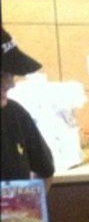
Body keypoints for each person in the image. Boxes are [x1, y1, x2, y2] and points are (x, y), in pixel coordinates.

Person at [1, 27, 55, 191]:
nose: (11, 84)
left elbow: (45, 170)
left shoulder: (15, 115)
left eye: (11, 75)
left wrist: (30, 204)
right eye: (2, 75)